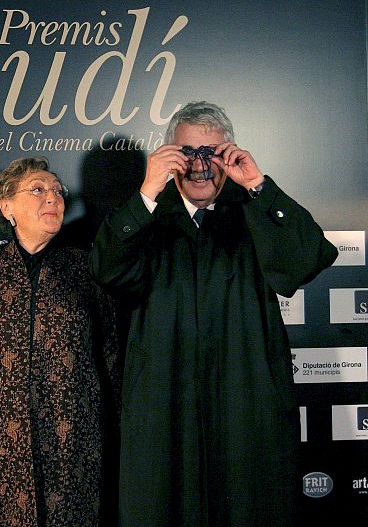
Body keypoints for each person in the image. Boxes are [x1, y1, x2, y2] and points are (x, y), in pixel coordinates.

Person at [90, 101, 338, 526]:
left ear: (231, 154)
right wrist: (147, 193)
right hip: (166, 405)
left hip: (246, 401)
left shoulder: (254, 215)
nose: (201, 167)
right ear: (169, 158)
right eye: (188, 153)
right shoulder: (149, 218)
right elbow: (107, 270)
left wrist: (260, 186)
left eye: (213, 153)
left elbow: (308, 258)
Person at [0, 157, 120, 526]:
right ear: (6, 206)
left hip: (73, 436)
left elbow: (110, 352)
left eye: (57, 191)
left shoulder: (87, 268)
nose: (53, 198)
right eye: (38, 189)